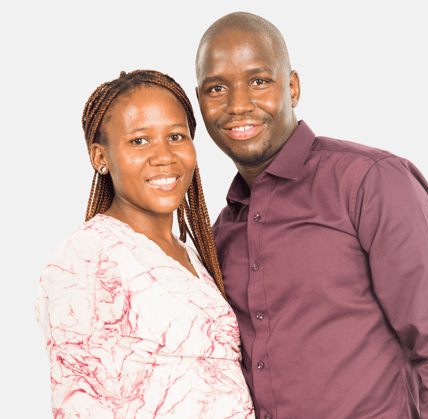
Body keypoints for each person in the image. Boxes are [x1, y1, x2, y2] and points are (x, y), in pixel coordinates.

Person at [195, 12, 428, 419]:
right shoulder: (219, 235)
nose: (238, 105)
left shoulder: (370, 181)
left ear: (292, 87)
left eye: (259, 81)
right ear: (200, 102)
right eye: (217, 88)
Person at [35, 70, 255, 419]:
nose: (164, 156)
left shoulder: (193, 255)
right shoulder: (89, 255)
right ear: (100, 157)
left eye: (176, 136)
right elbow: (80, 401)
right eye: (139, 141)